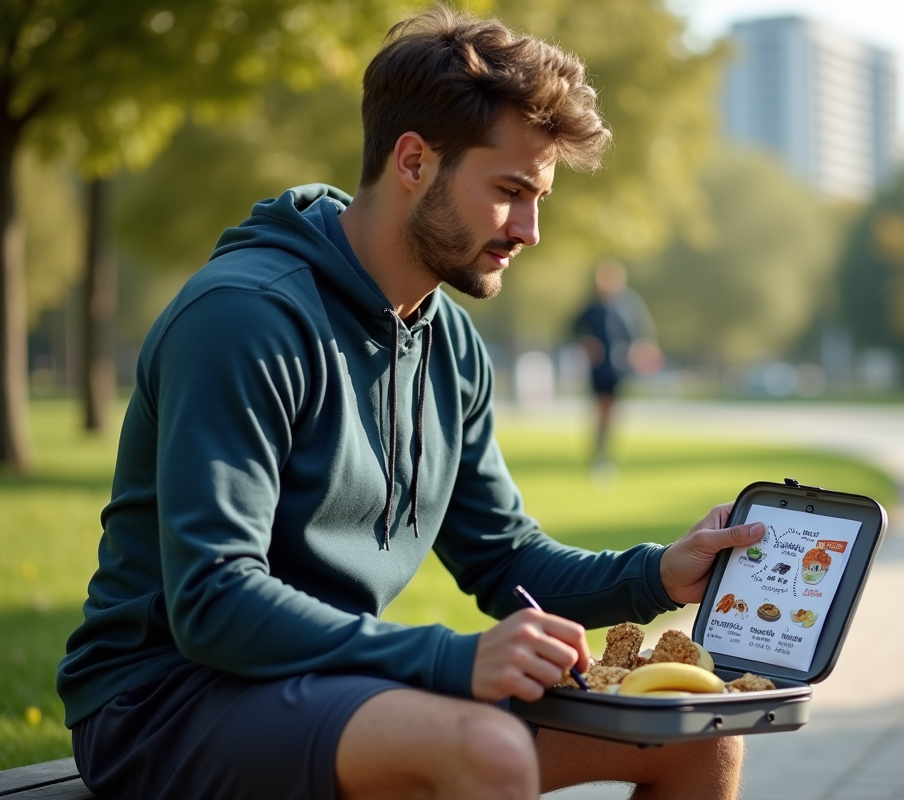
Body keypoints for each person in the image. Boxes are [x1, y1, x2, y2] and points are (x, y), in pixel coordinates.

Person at [55, 7, 766, 800]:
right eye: (511, 191)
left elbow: (503, 560)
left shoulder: (448, 342)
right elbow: (212, 599)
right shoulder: (244, 318)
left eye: (539, 197)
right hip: (167, 700)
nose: (531, 229)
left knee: (699, 739)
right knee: (486, 750)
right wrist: (451, 661)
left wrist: (661, 573)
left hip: (338, 682)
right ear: (414, 160)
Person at [571, 259, 662, 468]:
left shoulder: (627, 305)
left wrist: (641, 350)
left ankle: (605, 451)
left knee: (613, 413)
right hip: (599, 369)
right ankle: (598, 452)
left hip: (619, 368)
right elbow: (574, 329)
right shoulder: (592, 307)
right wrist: (586, 343)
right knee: (601, 410)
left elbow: (642, 333)